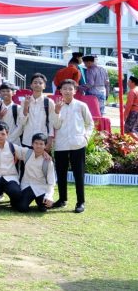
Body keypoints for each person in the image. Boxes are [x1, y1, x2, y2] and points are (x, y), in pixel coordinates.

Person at [52, 79, 93, 214]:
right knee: (61, 173)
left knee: (78, 174)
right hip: (61, 145)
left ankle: (80, 202)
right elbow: (56, 126)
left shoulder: (81, 106)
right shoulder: (56, 106)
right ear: (61, 91)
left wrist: (86, 137)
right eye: (65, 89)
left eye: (70, 88)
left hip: (78, 144)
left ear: (75, 91)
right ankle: (62, 199)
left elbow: (90, 124)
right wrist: (57, 112)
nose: (68, 91)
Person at [16, 133, 55, 213]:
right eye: (36, 143)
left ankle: (40, 202)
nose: (38, 146)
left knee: (46, 206)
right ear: (32, 144)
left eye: (41, 144)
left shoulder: (48, 162)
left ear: (45, 145)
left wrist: (49, 196)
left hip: (41, 187)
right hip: (27, 186)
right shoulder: (26, 152)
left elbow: (51, 181)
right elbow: (14, 147)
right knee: (22, 208)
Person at [21, 73, 56, 149]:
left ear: (44, 86)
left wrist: (50, 139)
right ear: (31, 85)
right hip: (28, 139)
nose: (37, 84)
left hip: (43, 140)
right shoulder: (25, 101)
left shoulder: (49, 102)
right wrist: (26, 106)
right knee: (28, 160)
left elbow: (51, 122)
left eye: (40, 83)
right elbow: (22, 122)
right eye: (35, 82)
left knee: (44, 160)